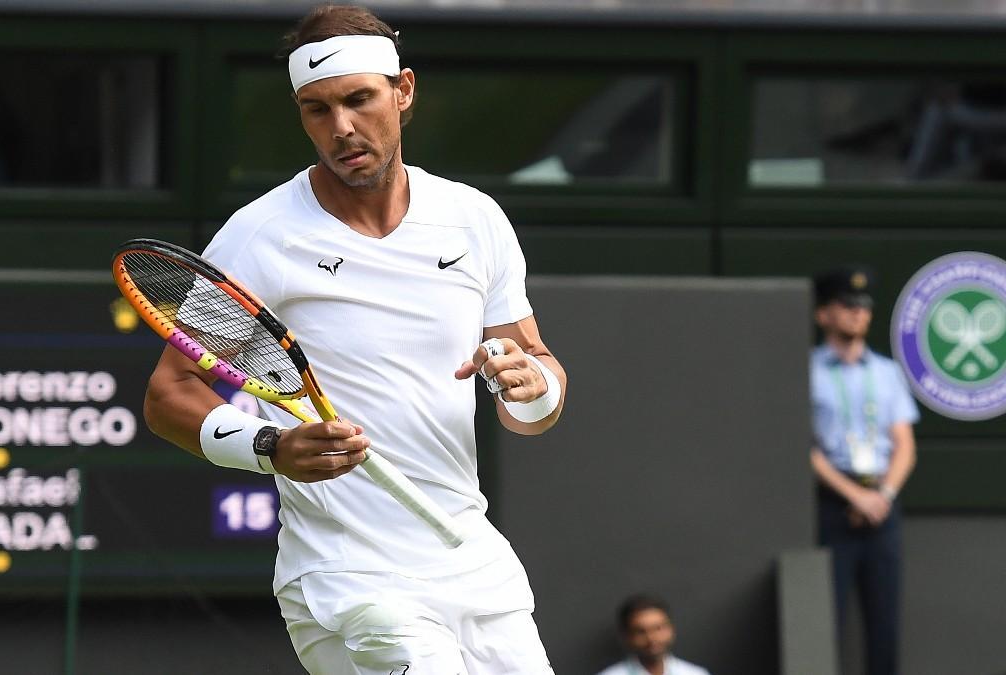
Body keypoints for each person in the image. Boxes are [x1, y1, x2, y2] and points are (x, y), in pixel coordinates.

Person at [142, 5, 566, 674]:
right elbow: (171, 392)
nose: (341, 127)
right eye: (317, 109)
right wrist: (271, 447)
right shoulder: (261, 238)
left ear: (403, 91)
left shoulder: (472, 220)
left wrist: (533, 384)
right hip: (350, 576)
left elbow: (533, 395)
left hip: (471, 558)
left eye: (359, 99)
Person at [810, 265, 919, 675]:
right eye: (846, 306)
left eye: (864, 307)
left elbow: (904, 444)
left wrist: (883, 496)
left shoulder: (887, 372)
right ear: (823, 315)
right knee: (826, 615)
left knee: (884, 619)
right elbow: (805, 449)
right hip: (833, 502)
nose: (858, 314)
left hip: (883, 503)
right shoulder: (808, 370)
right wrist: (853, 496)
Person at [596, 595, 709, 675]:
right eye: (641, 631)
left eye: (658, 628)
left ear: (671, 629)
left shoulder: (695, 673)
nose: (652, 638)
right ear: (626, 636)